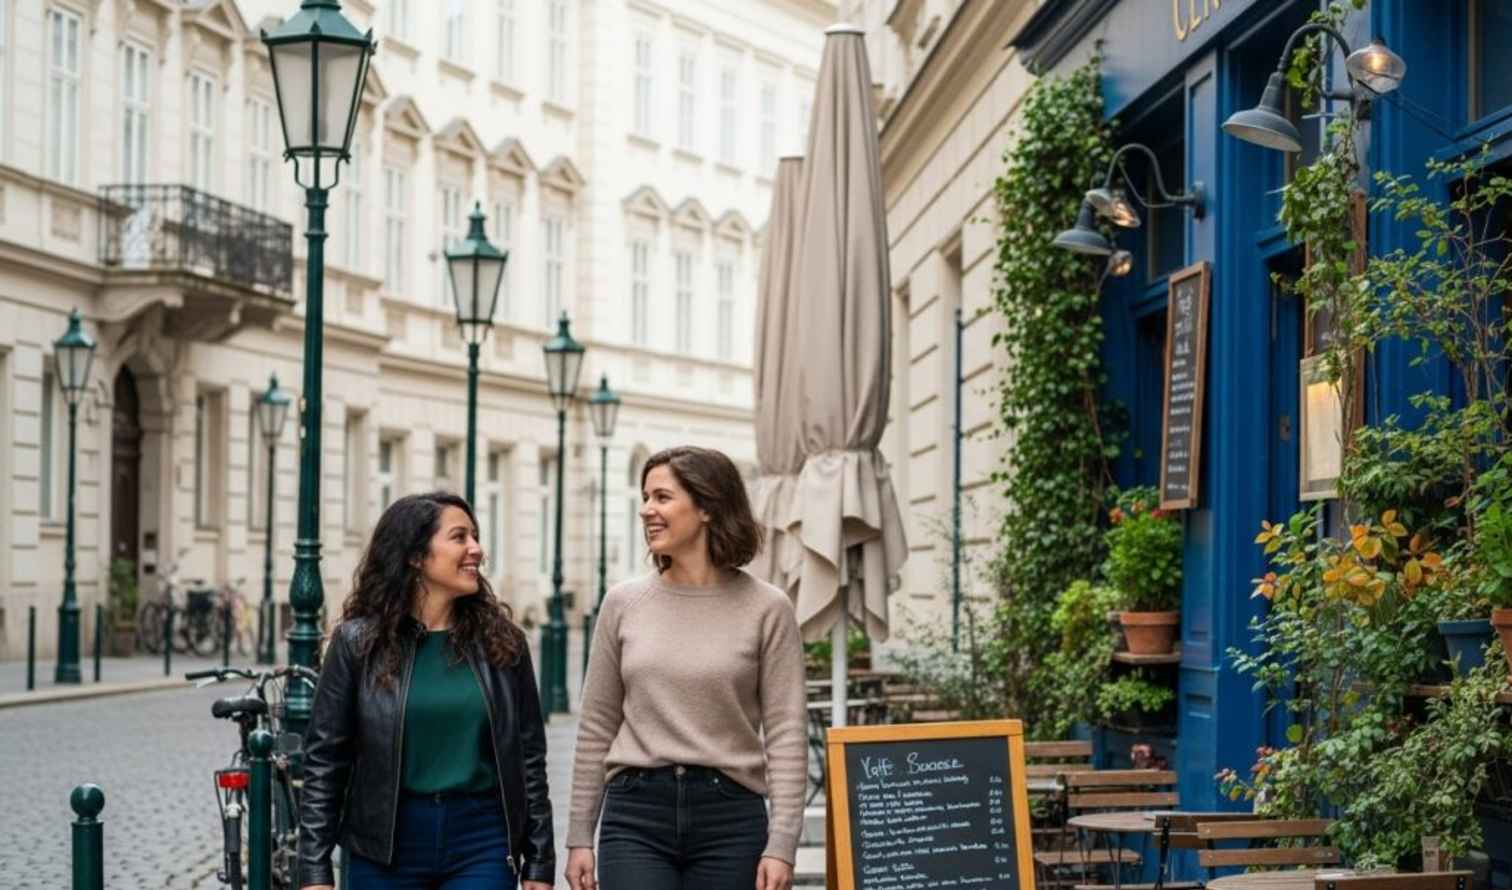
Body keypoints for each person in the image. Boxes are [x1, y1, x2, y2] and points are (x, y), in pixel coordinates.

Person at [564, 446, 807, 890]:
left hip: (731, 818)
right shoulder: (622, 603)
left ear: (707, 507)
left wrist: (782, 843)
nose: (646, 511)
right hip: (635, 815)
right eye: (645, 497)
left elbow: (787, 730)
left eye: (661, 497)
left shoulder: (768, 608)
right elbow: (597, 723)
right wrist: (580, 835)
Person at [297, 491, 555, 890]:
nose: (476, 549)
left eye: (475, 536)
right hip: (385, 844)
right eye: (459, 537)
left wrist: (539, 860)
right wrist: (314, 870)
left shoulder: (503, 644)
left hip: (481, 840)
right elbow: (325, 759)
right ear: (415, 556)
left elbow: (529, 757)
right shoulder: (357, 644)